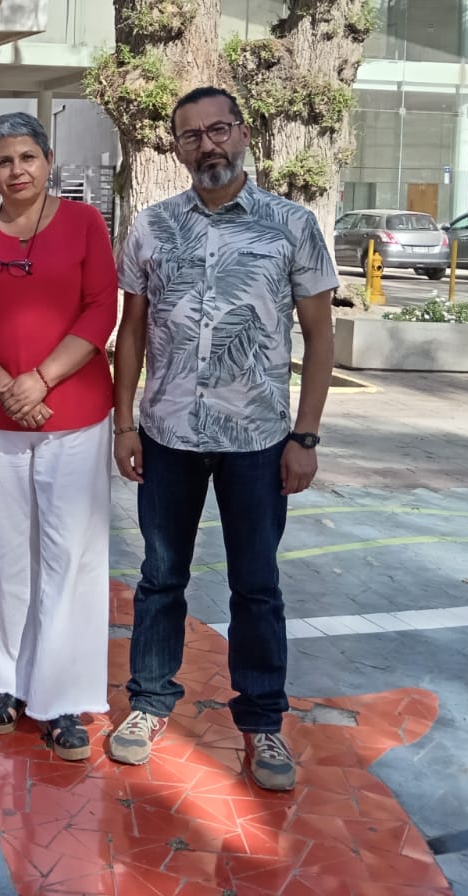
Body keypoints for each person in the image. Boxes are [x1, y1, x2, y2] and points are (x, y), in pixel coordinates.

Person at [109, 85, 338, 792]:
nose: (206, 144)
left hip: (257, 440)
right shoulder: (151, 227)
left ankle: (263, 722)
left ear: (242, 133)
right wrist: (125, 423)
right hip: (169, 433)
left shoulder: (291, 224)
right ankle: (149, 705)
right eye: (191, 135)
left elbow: (320, 335)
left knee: (257, 586)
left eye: (218, 130)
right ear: (176, 147)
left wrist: (306, 436)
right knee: (160, 578)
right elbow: (131, 331)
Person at [0, 112, 118, 763]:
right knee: (3, 555)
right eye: (4, 160)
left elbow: (101, 309)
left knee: (68, 558)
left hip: (74, 417)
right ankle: (9, 684)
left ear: (48, 161)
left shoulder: (85, 224)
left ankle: (62, 697)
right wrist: (7, 388)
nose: (17, 170)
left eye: (27, 157)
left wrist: (40, 380)